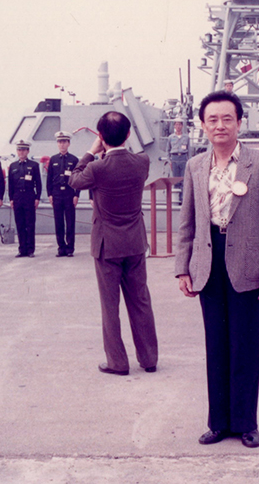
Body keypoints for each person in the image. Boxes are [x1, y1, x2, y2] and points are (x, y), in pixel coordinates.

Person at [175, 90, 259, 449]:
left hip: (248, 265)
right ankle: (219, 422)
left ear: (239, 123)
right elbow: (187, 221)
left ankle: (246, 423)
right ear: (203, 125)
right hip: (208, 261)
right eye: (212, 119)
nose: (219, 125)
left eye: (227, 119)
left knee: (245, 345)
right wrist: (182, 267)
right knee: (216, 345)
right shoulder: (195, 166)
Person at [69, 112, 158, 375]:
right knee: (140, 301)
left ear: (100, 136)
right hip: (134, 242)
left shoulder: (97, 168)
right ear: (128, 134)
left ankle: (117, 362)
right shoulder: (142, 162)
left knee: (110, 307)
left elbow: (74, 179)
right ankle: (149, 359)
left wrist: (91, 152)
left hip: (107, 245)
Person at [47, 131, 79, 257]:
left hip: (69, 194)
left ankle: (70, 248)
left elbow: (78, 178)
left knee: (70, 222)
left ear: (68, 143)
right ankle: (61, 247)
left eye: (64, 142)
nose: (62, 144)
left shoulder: (74, 160)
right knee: (58, 222)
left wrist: (76, 195)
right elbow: (49, 179)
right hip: (57, 194)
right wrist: (50, 194)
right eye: (59, 142)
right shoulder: (53, 159)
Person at [8, 140, 42, 258]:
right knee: (20, 224)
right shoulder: (13, 166)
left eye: (23, 150)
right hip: (17, 197)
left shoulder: (34, 165)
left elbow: (38, 183)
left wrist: (37, 198)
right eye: (19, 150)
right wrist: (11, 199)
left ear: (28, 151)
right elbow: (10, 184)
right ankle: (22, 249)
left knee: (30, 224)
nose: (21, 152)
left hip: (29, 196)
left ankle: (30, 249)